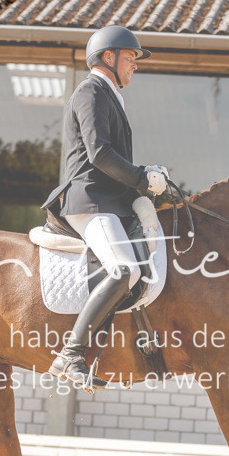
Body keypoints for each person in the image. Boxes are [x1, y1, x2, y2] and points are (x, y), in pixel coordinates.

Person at [41, 25, 169, 388]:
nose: (135, 65)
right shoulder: (91, 91)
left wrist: (144, 178)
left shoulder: (110, 94)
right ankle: (70, 354)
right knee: (123, 269)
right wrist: (141, 178)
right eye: (130, 57)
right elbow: (98, 153)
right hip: (90, 201)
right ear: (108, 57)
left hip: (108, 202)